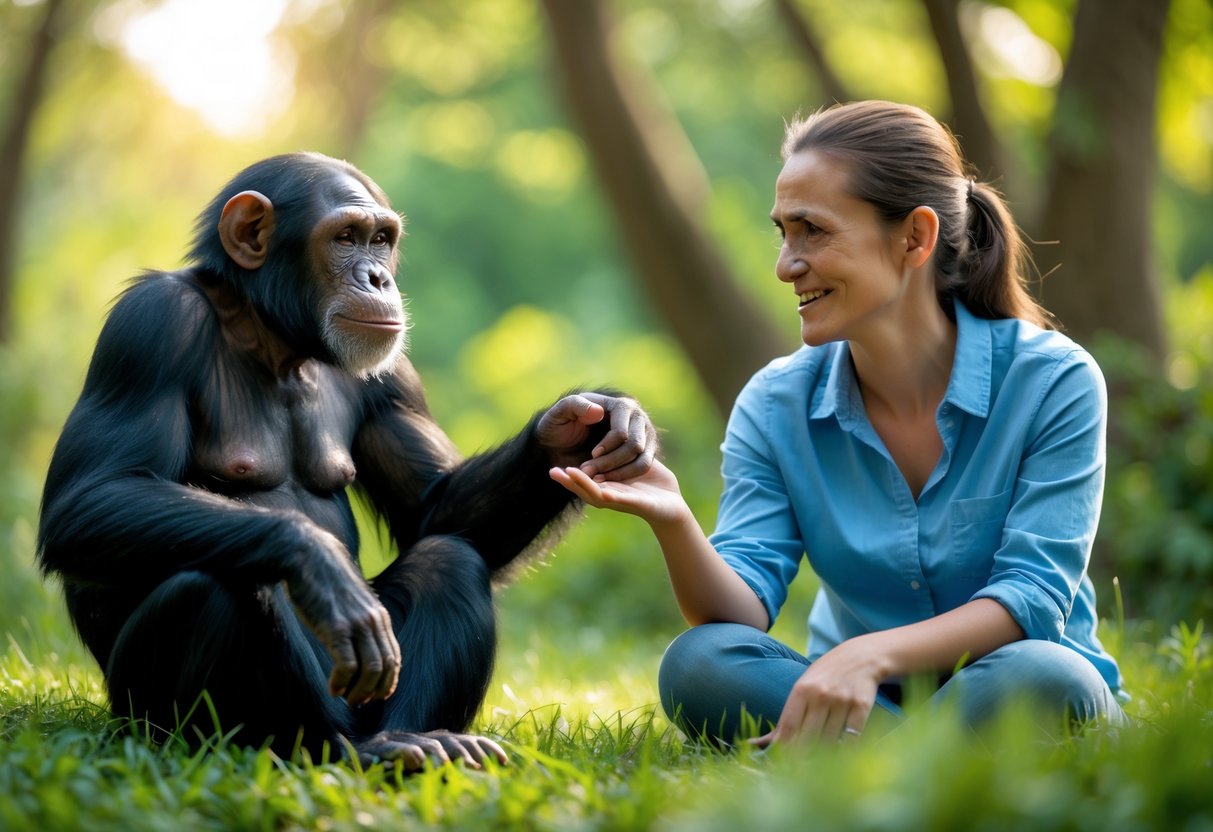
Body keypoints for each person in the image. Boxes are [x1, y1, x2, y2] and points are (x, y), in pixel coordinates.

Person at [549, 100, 1126, 746]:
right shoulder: (773, 405)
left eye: (812, 232)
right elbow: (737, 612)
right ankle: (912, 754)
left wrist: (867, 654)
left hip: (1008, 678)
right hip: (852, 695)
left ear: (914, 237)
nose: (784, 264)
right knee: (696, 661)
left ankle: (856, 757)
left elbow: (1032, 600)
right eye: (782, 232)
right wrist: (673, 518)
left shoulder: (1052, 382)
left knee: (1049, 676)